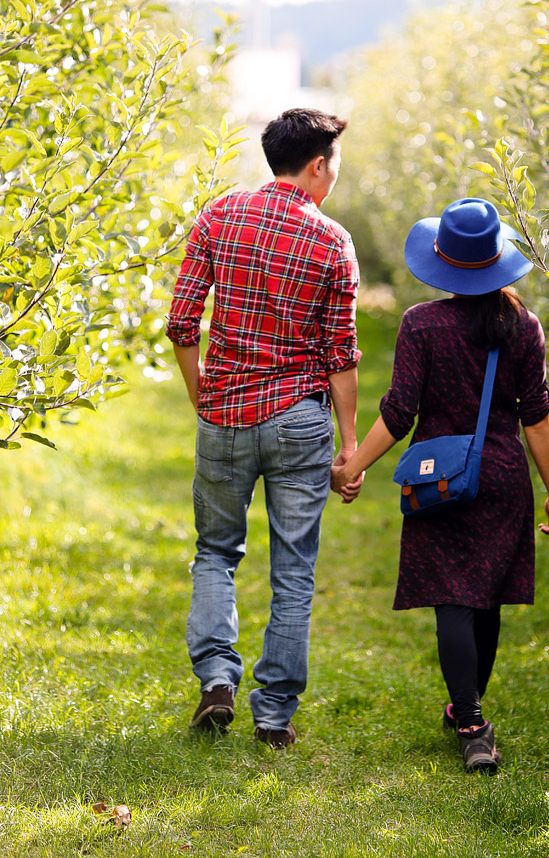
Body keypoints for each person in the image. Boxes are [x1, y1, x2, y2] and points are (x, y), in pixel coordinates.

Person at [331, 197, 549, 773]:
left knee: (453, 599)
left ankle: (469, 720)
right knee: (485, 599)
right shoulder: (525, 326)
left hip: (440, 481)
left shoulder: (422, 324)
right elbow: (535, 415)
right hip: (505, 478)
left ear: (443, 261)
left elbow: (399, 412)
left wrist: (354, 464)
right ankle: (469, 710)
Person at [166, 108, 361, 748]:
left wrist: (204, 394)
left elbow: (182, 322)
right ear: (316, 165)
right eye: (335, 163)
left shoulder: (219, 216)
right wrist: (351, 445)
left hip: (224, 414)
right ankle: (274, 715)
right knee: (294, 571)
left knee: (215, 552)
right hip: (300, 421)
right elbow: (340, 353)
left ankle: (217, 680)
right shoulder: (332, 239)